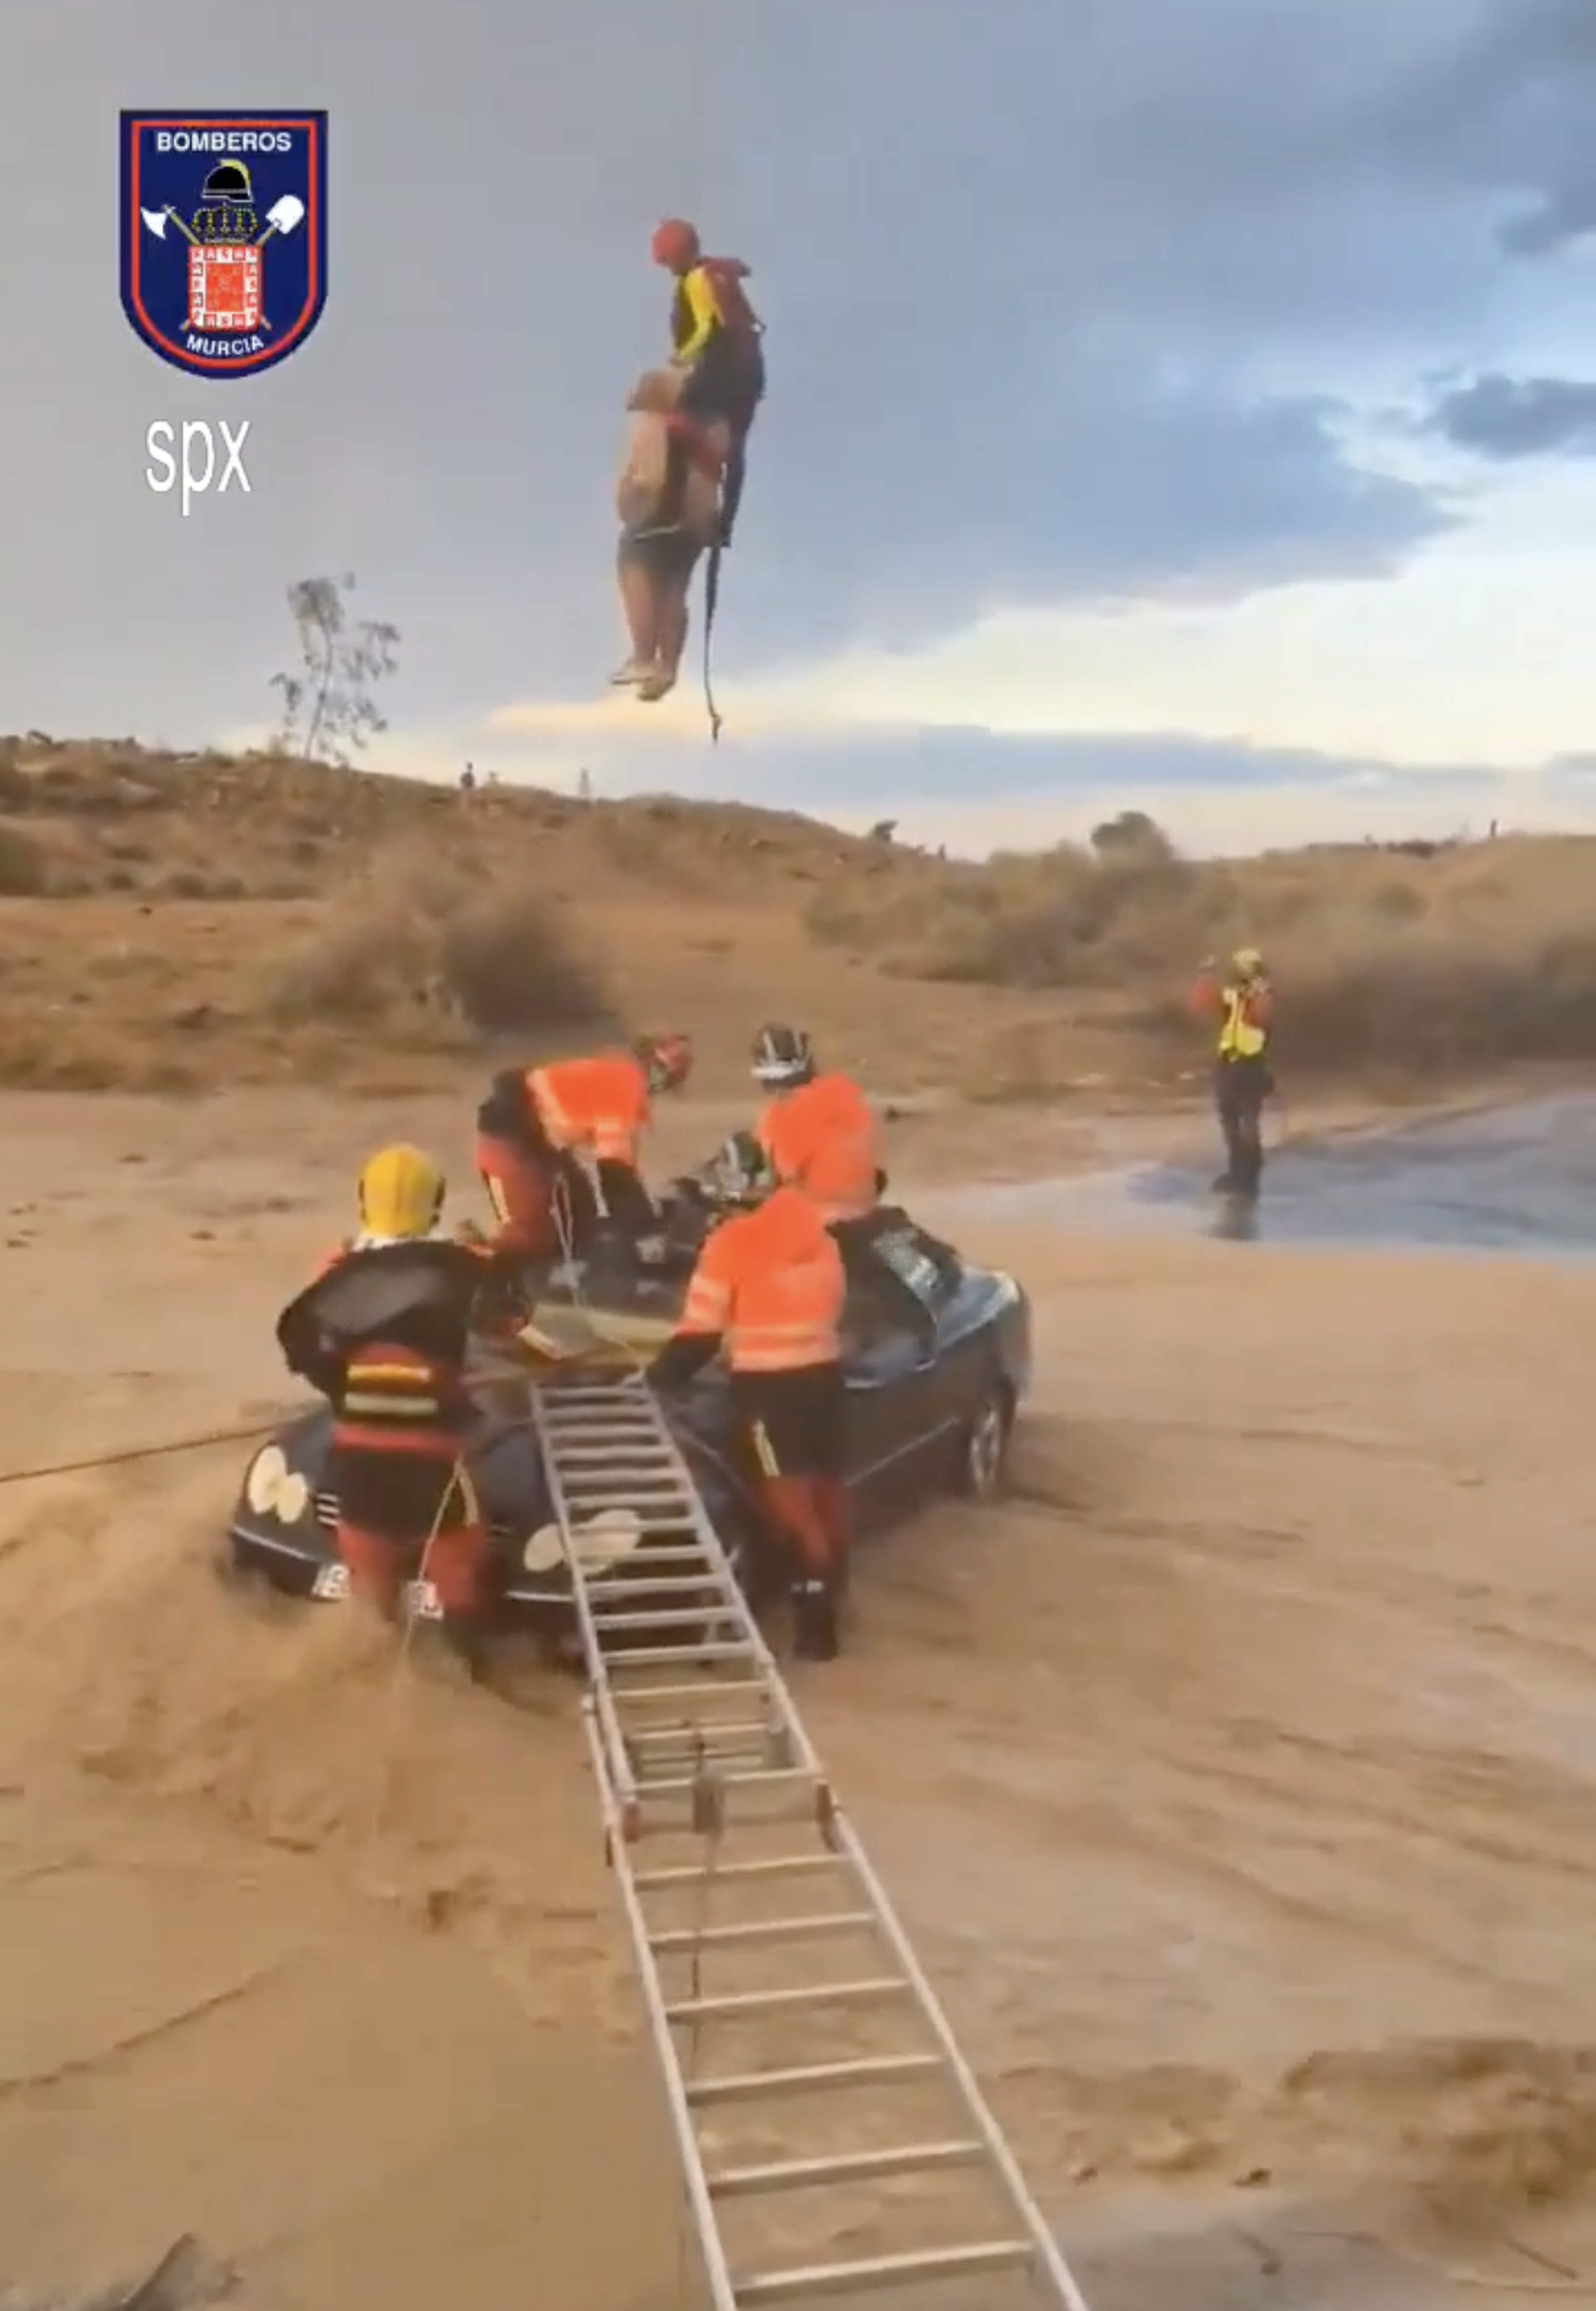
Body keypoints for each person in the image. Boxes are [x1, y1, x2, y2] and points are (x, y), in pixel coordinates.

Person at [275, 1145, 496, 1671]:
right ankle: (472, 1676)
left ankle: (370, 1677)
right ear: (437, 1203)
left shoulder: (337, 1269)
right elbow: (507, 1340)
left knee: (368, 1575)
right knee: (459, 1571)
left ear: (361, 1200)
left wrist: (346, 1392)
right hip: (433, 1454)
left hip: (356, 1450)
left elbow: (303, 1343)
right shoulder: (472, 1267)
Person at [647, 1131, 848, 1662]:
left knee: (790, 1513)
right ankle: (832, 1598)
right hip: (825, 1382)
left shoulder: (733, 1243)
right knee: (824, 1501)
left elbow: (698, 1336)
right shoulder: (816, 1230)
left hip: (769, 1393)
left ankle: (816, 1634)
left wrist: (653, 1381)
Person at [750, 1022, 946, 1348]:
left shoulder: (778, 1118)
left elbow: (780, 1182)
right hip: (865, 1214)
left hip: (821, 1231)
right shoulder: (848, 1098)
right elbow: (873, 1168)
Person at [475, 1032, 694, 1263]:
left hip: (539, 1141)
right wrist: (640, 1221)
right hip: (509, 1138)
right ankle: (472, 1261)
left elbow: (615, 1170)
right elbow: (615, 1169)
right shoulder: (625, 1087)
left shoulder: (617, 1073)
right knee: (527, 1235)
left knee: (578, 1214)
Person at [612, 367, 729, 703]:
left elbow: (642, 480)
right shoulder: (713, 426)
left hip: (656, 513)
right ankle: (668, 669)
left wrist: (628, 502)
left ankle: (643, 657)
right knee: (674, 592)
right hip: (696, 523)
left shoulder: (652, 425)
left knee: (634, 571)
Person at [650, 217, 766, 549]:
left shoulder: (695, 279)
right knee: (737, 447)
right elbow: (742, 271)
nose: (666, 267)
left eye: (666, 260)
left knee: (676, 422)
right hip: (752, 369)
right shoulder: (718, 270)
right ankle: (724, 526)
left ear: (675, 255)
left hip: (722, 364)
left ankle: (669, 509)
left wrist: (682, 357)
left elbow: (704, 327)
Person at [1191, 947, 1276, 1199]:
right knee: (1229, 1122)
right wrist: (1206, 976)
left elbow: (1262, 1019)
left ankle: (1249, 1176)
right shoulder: (1234, 996)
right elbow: (1205, 1004)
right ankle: (1236, 1171)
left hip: (1251, 1065)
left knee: (1249, 1123)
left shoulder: (1264, 996)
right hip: (1228, 1064)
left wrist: (1256, 993)